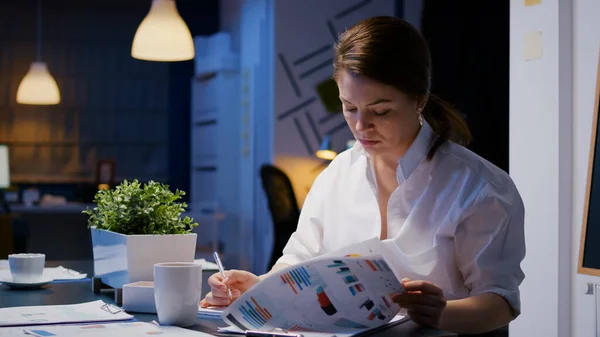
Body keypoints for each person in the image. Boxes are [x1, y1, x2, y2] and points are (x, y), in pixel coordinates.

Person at [200, 16, 525, 336]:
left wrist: (443, 314)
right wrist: (259, 290)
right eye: (349, 107)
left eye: (380, 111)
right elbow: (298, 260)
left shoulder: (480, 188)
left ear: (419, 100)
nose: (360, 126)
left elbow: (501, 301)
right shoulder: (338, 174)